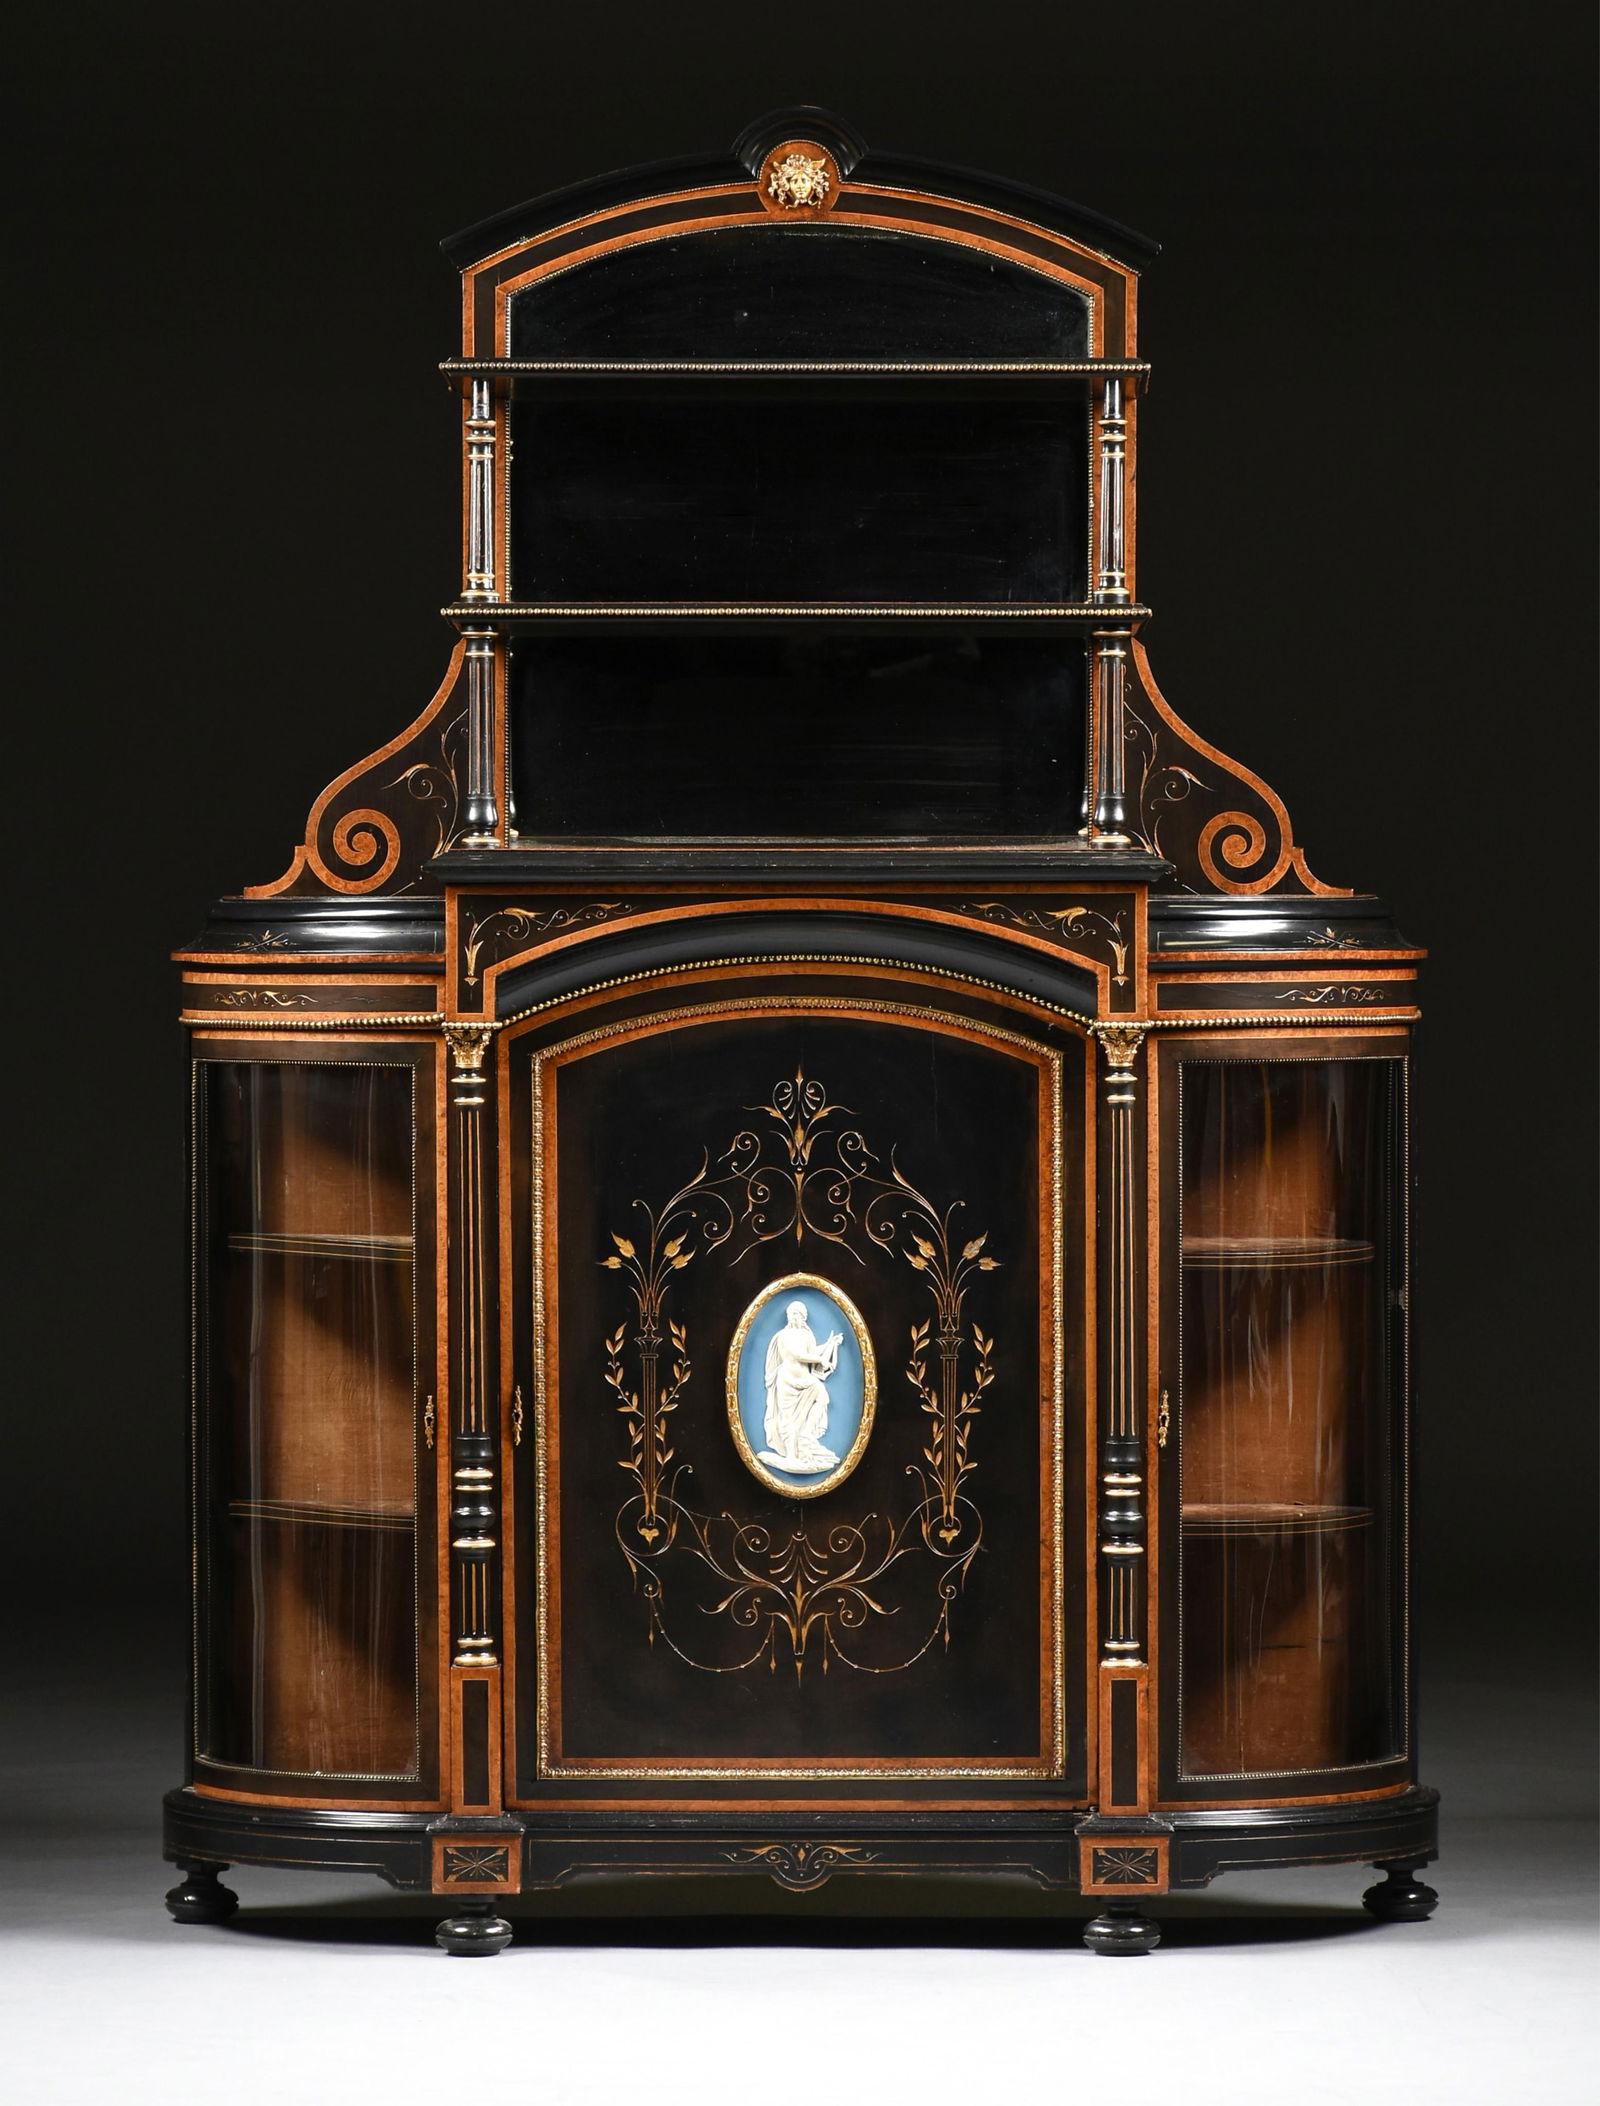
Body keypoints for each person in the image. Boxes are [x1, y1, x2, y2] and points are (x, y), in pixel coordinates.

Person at [759, 1299, 843, 1473]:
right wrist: (820, 1359)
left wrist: (830, 1345)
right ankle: (791, 1456)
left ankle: (806, 1434)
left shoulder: (807, 1335)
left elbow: (811, 1354)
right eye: (791, 1314)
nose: (793, 1317)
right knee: (788, 1419)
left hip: (806, 1380)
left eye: (797, 1313)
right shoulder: (783, 1336)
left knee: (823, 1397)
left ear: (804, 1316)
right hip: (787, 1381)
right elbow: (796, 1354)